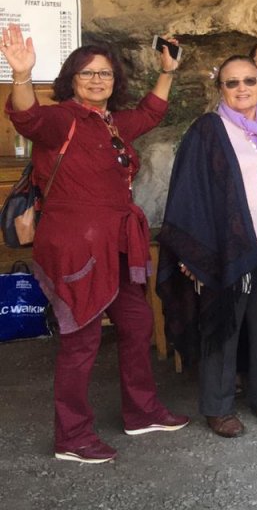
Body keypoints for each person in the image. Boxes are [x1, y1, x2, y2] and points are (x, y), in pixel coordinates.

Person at [2, 25, 187, 463]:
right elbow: (27, 118)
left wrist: (167, 71)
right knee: (80, 340)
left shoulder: (114, 123)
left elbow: (151, 113)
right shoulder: (62, 118)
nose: (97, 79)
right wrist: (23, 76)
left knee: (138, 323)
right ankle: (72, 437)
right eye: (87, 73)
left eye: (104, 73)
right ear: (72, 78)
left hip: (119, 242)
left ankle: (141, 412)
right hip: (76, 245)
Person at [159, 55, 257, 439]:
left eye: (248, 81)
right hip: (230, 246)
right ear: (220, 88)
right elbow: (188, 191)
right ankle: (218, 407)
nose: (242, 89)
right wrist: (190, 251)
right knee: (223, 325)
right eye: (232, 83)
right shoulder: (208, 130)